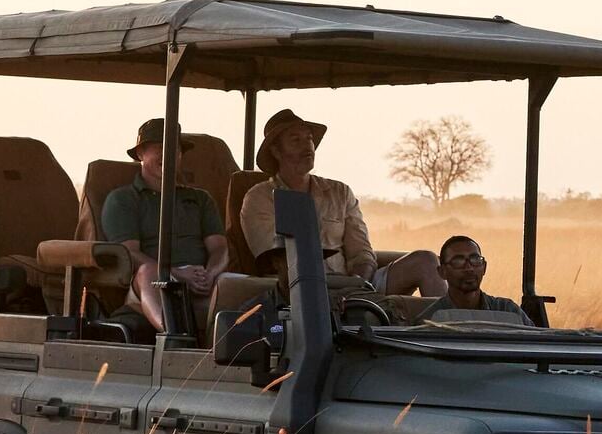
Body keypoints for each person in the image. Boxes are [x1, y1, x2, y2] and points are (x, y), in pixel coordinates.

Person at [240, 109, 445, 296]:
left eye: (309, 139)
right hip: (297, 288)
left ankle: (449, 330)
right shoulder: (260, 198)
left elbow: (361, 251)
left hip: (354, 284)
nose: (307, 147)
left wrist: (359, 281)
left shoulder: (339, 192)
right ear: (276, 151)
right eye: (296, 140)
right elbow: (275, 259)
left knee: (426, 261)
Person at [100, 118, 230, 331]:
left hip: (202, 280)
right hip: (154, 284)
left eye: (174, 149)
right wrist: (178, 274)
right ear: (141, 154)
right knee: (149, 272)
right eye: (160, 148)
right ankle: (175, 335)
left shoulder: (200, 198)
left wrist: (210, 274)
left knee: (245, 285)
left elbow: (219, 248)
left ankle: (266, 344)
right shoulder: (123, 199)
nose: (168, 154)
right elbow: (129, 253)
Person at [416, 235, 533, 324]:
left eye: (475, 260)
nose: (469, 268)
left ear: (484, 268)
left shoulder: (508, 310)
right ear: (442, 272)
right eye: (458, 261)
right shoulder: (430, 320)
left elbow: (536, 343)